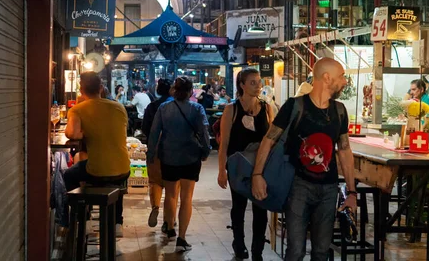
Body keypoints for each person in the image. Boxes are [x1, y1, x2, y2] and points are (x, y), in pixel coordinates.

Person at [251, 58, 357, 261]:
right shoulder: (295, 106)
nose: (344, 82)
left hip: (328, 188)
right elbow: (268, 140)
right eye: (342, 76)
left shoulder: (340, 111)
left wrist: (351, 192)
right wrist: (257, 174)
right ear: (327, 78)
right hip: (298, 186)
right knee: (296, 251)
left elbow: (344, 150)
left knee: (321, 251)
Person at [147, 77, 211, 252]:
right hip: (191, 157)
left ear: (173, 91)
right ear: (191, 91)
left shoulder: (163, 108)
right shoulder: (197, 109)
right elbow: (204, 133)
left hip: (168, 157)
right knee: (187, 197)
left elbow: (154, 133)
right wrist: (206, 151)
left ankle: (170, 227)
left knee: (170, 195)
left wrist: (151, 154)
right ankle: (182, 238)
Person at [63, 72, 131, 237]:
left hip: (96, 171)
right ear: (101, 88)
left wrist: (83, 132)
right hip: (124, 168)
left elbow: (71, 133)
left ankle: (84, 219)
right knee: (116, 178)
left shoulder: (77, 109)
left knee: (69, 175)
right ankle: (117, 223)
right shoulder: (119, 107)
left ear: (81, 90)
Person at [218, 68, 274, 261]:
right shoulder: (231, 109)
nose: (258, 86)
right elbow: (224, 143)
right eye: (252, 82)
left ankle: (257, 250)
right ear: (241, 85)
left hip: (261, 167)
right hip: (238, 168)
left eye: (259, 82)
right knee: (238, 207)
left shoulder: (267, 108)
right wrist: (221, 171)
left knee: (261, 208)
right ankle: (239, 244)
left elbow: (272, 139)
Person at [141, 79, 177, 232]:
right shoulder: (177, 106)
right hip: (175, 151)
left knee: (155, 182)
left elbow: (145, 129)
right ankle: (170, 221)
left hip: (155, 149)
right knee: (173, 188)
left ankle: (155, 206)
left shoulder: (152, 107)